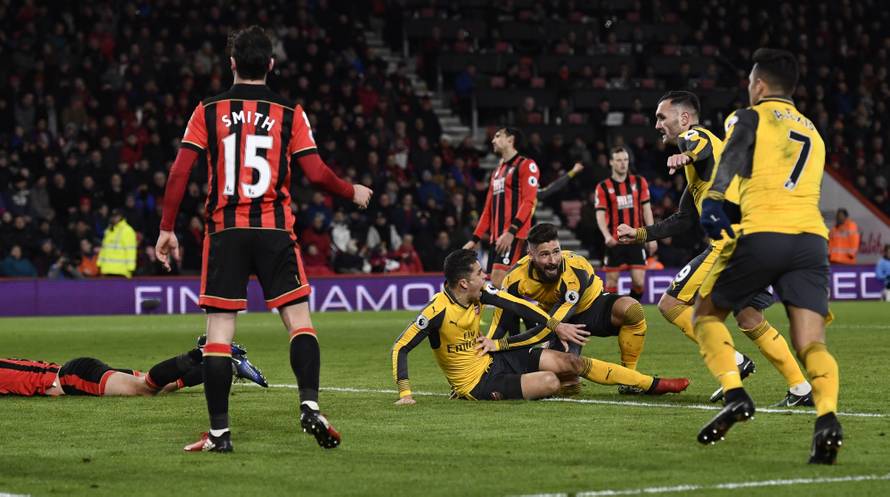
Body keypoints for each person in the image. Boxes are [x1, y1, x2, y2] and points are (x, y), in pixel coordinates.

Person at [155, 26, 373, 453]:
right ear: (271, 65)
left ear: (232, 63)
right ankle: (310, 406)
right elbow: (315, 174)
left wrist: (167, 228)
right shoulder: (291, 112)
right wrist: (352, 191)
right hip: (274, 230)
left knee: (219, 332)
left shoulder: (208, 110)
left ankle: (220, 434)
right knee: (299, 321)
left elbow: (180, 171)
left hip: (226, 232)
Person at [617, 90, 813, 407]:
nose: (657, 125)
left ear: (683, 118)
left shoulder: (696, 137)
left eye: (661, 117)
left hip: (730, 245)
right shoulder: (705, 167)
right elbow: (682, 219)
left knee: (670, 304)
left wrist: (687, 154)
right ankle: (801, 388)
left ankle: (733, 362)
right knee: (749, 317)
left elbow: (697, 144)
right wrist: (640, 234)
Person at [692, 48, 841, 464]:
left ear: (759, 85)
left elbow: (736, 149)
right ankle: (827, 418)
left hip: (763, 234)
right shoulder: (813, 131)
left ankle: (736, 393)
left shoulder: (750, 115)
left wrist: (716, 196)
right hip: (811, 240)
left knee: (704, 315)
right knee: (812, 341)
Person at [391, 249, 689, 404]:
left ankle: (651, 383)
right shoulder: (436, 311)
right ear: (463, 283)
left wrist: (555, 326)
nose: (486, 278)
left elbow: (521, 306)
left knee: (572, 363)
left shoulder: (481, 293)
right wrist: (405, 392)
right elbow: (401, 347)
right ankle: (534, 384)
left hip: (494, 358)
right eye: (480, 274)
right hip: (477, 384)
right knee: (552, 382)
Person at [491, 223, 649, 397]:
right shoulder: (515, 278)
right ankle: (552, 365)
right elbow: (503, 319)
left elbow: (552, 324)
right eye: (544, 254)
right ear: (531, 255)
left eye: (556, 251)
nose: (553, 260)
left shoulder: (575, 270)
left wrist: (504, 345)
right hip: (560, 320)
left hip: (593, 306)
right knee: (568, 386)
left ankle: (630, 378)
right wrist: (489, 349)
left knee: (632, 309)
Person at [1, 340, 267, 397]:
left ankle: (204, 351)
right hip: (75, 371)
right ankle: (225, 365)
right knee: (167, 386)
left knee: (145, 389)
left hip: (72, 378)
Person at [463, 128, 540, 287]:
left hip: (514, 235)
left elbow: (528, 202)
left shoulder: (526, 165)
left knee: (499, 282)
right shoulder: (497, 172)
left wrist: (511, 232)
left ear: (510, 140)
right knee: (503, 287)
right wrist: (474, 239)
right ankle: (524, 311)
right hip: (497, 239)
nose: (493, 140)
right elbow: (488, 210)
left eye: (498, 136)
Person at [594, 147, 656, 301]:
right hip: (615, 241)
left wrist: (652, 236)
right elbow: (600, 214)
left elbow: (647, 211)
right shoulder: (603, 187)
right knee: (611, 283)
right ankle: (613, 317)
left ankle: (631, 310)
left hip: (636, 238)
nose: (623, 164)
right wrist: (607, 236)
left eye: (625, 160)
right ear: (611, 162)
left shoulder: (639, 182)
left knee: (639, 282)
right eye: (619, 160)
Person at [97, 209, 137, 278]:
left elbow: (131, 250)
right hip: (106, 270)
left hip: (121, 272)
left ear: (122, 217)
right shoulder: (109, 230)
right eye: (112, 216)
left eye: (116, 216)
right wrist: (99, 264)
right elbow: (104, 248)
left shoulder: (128, 230)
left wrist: (131, 268)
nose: (114, 218)